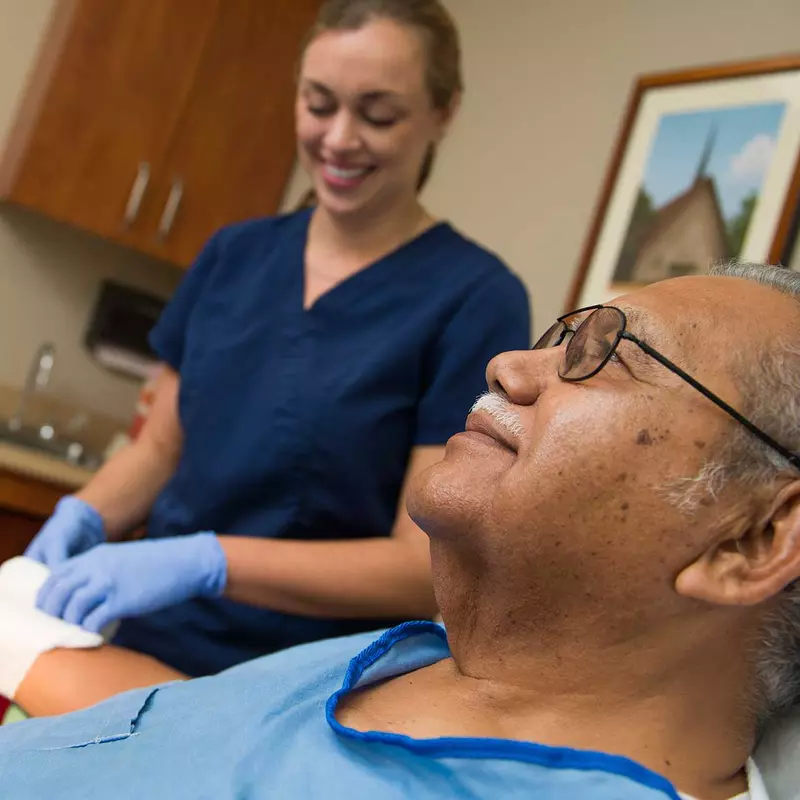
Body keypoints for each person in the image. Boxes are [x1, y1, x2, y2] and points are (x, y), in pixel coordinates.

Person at [2, 262, 799, 800]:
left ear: (752, 539)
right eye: (564, 337)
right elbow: (198, 726)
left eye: (608, 355)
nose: (509, 367)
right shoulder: (413, 663)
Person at [19, 0, 531, 678]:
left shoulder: (475, 300)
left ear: (443, 112)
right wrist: (84, 512)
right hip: (138, 642)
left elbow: (419, 567)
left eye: (378, 114)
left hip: (297, 683)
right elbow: (159, 450)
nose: (339, 138)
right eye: (319, 105)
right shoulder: (234, 254)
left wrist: (209, 562)